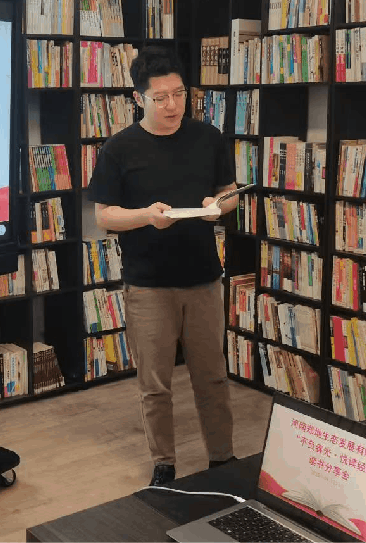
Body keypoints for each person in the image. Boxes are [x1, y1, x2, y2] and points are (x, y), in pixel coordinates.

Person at [86, 47, 239, 487]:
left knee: (212, 377)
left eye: (179, 94)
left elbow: (230, 193)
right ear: (139, 99)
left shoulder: (208, 138)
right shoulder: (119, 148)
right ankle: (164, 464)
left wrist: (218, 205)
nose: (172, 105)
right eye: (160, 98)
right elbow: (104, 215)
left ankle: (223, 459)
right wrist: (146, 216)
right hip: (149, 285)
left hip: (204, 278)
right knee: (155, 384)